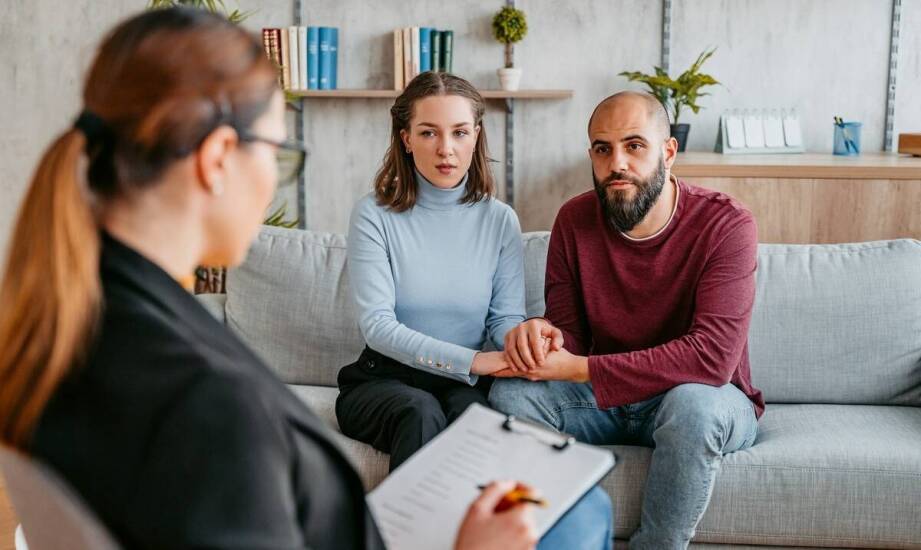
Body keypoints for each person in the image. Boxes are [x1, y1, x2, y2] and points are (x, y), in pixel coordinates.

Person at [0, 9, 549, 549]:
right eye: (280, 153)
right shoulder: (205, 399)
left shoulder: (76, 335)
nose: (273, 182)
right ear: (218, 159)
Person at [336, 71, 613, 550]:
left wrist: (526, 337)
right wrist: (474, 361)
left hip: (462, 386)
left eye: (459, 132)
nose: (446, 149)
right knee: (419, 412)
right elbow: (378, 326)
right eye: (429, 133)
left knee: (484, 427)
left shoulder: (498, 219)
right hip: (382, 380)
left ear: (476, 136)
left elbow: (503, 319)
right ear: (406, 139)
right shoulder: (374, 215)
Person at [489, 91, 764, 550]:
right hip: (608, 401)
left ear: (668, 151)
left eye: (634, 145)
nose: (617, 163)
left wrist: (579, 368)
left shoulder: (726, 224)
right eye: (602, 148)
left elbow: (712, 359)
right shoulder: (574, 220)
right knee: (512, 393)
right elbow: (571, 333)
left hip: (703, 398)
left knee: (694, 408)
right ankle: (566, 538)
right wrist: (544, 336)